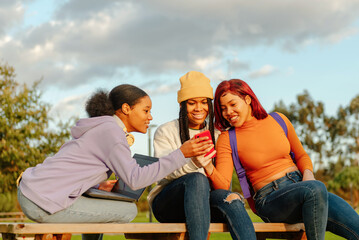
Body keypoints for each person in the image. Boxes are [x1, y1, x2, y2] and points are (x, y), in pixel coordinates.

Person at [17, 84, 214, 240]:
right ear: (126, 109)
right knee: (127, 210)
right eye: (146, 110)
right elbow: (135, 180)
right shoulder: (112, 133)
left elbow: (70, 164)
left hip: (35, 191)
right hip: (41, 202)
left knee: (102, 199)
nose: (150, 116)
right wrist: (181, 153)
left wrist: (95, 184)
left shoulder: (103, 127)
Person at [210, 79, 359, 240]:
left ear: (247, 99)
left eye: (232, 104)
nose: (228, 112)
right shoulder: (227, 138)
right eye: (223, 108)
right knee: (315, 189)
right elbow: (223, 184)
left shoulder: (278, 120)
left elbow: (301, 155)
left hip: (304, 187)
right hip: (270, 199)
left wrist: (308, 175)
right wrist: (206, 165)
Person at [148, 71, 256, 240]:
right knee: (197, 179)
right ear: (182, 105)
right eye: (192, 103)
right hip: (168, 204)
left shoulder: (218, 134)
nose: (199, 108)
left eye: (204, 102)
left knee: (232, 199)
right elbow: (161, 173)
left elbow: (221, 182)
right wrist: (193, 164)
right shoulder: (166, 131)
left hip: (205, 202)